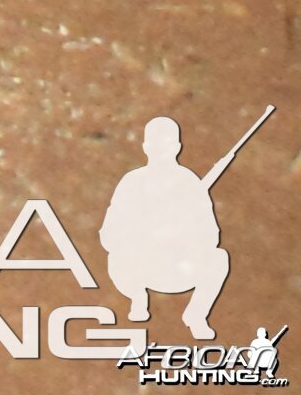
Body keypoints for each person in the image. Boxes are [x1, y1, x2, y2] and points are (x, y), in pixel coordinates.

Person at [99, 115, 233, 339]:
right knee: (116, 258)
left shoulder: (190, 184)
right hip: (139, 268)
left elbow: (211, 236)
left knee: (219, 259)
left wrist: (181, 234)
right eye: (155, 145)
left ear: (177, 147)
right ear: (146, 147)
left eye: (167, 145)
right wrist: (142, 235)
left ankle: (196, 315)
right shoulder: (131, 183)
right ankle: (138, 300)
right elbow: (108, 235)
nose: (161, 150)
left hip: (178, 268)